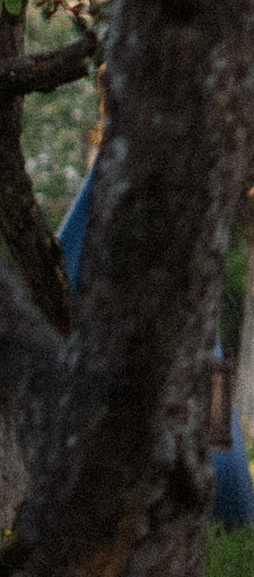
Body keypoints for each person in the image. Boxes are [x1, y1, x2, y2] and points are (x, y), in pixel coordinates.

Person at [59, 165, 254, 530]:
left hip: (189, 330)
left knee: (215, 414)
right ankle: (229, 514)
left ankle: (230, 514)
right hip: (166, 330)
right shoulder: (131, 169)